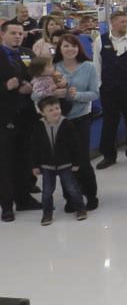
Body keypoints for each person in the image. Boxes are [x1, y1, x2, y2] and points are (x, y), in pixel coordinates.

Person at [51, 34, 100, 211]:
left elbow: (94, 93)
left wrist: (76, 95)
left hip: (81, 118)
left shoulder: (89, 67)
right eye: (66, 46)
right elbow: (42, 95)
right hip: (60, 121)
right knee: (65, 161)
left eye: (74, 46)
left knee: (82, 159)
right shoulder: (54, 68)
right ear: (60, 49)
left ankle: (90, 194)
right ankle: (70, 197)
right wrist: (54, 94)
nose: (70, 49)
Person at [1, 21, 43, 222]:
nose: (17, 36)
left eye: (20, 33)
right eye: (13, 33)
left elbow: (38, 78)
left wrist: (32, 87)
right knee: (5, 163)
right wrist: (5, 87)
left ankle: (24, 198)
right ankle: (7, 205)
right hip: (4, 118)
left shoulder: (29, 54)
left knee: (25, 159)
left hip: (27, 117)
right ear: (3, 35)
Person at [95, 12, 127, 170]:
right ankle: (108, 155)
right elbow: (97, 64)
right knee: (109, 122)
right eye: (122, 22)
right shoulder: (100, 40)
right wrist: (99, 86)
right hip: (109, 89)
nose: (126, 25)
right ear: (113, 23)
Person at [30, 96, 88, 226]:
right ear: (42, 112)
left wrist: (76, 162)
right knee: (47, 192)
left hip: (65, 164)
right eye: (50, 110)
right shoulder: (39, 126)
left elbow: (75, 145)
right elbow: (34, 147)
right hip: (47, 165)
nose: (55, 111)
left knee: (72, 188)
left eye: (57, 108)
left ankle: (80, 209)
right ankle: (47, 213)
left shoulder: (67, 124)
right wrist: (34, 165)